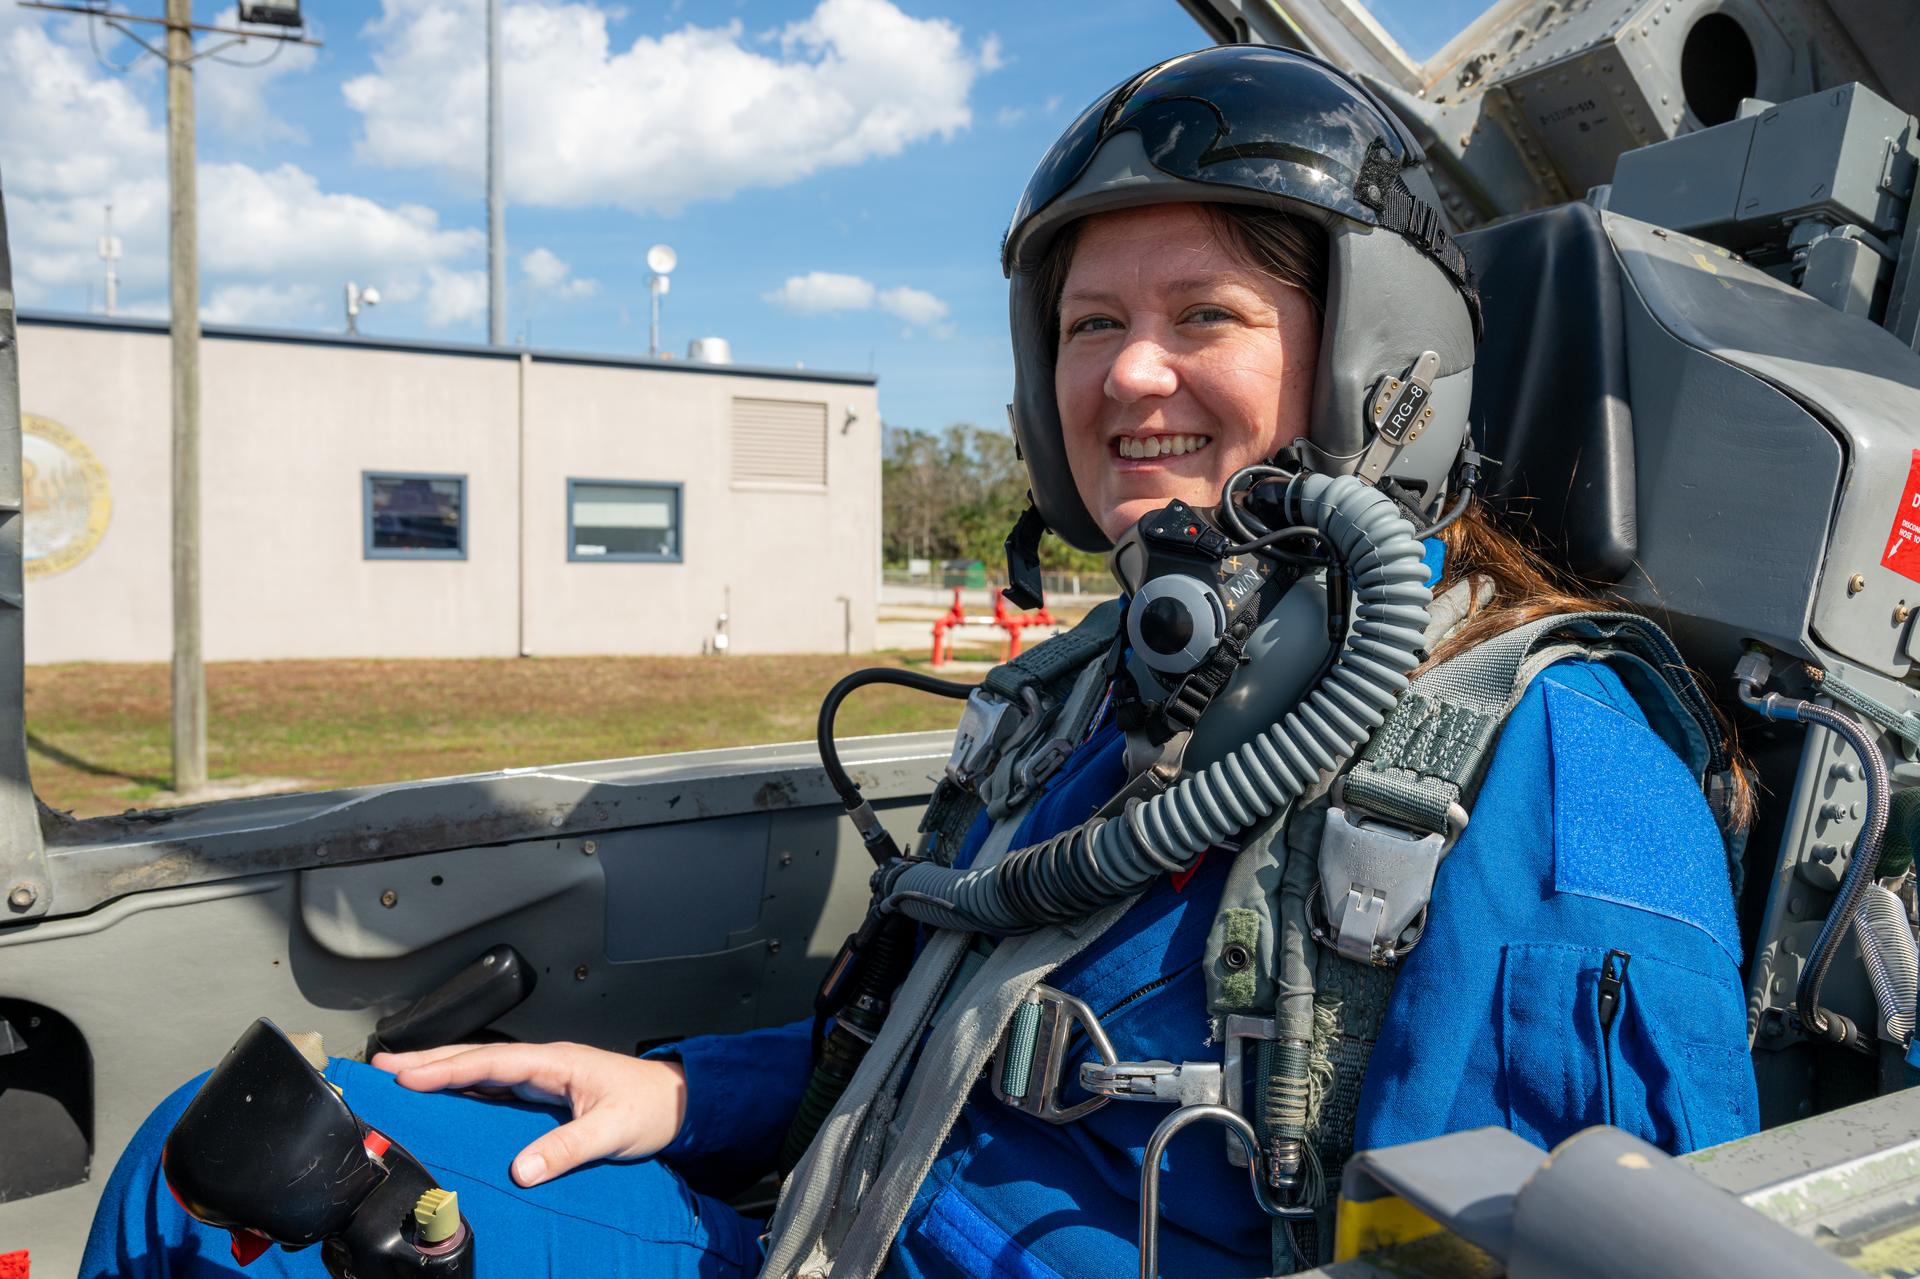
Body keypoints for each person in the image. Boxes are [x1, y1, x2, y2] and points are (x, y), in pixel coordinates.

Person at [82, 45, 1758, 1279]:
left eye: (1204, 315)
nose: (1128, 377)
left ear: (1379, 366)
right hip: (832, 1222)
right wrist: (687, 1097)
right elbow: (922, 1019)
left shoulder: (1539, 753)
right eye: (1092, 325)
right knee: (201, 1178)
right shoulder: (1094, 694)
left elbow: (1578, 1242)